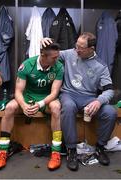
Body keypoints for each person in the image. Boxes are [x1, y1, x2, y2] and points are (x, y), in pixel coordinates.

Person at [41, 32, 117, 171]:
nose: (77, 49)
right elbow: (51, 54)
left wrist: (99, 101)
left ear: (91, 49)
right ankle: (71, 150)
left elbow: (109, 90)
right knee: (68, 107)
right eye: (76, 45)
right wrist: (45, 41)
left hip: (89, 98)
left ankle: (100, 147)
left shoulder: (101, 66)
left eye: (81, 47)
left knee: (110, 112)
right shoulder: (70, 53)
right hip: (69, 94)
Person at [0, 43, 64, 170]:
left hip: (46, 99)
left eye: (57, 56)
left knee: (56, 108)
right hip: (27, 97)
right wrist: (24, 105)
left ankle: (56, 152)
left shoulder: (58, 66)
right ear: (43, 55)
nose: (57, 59)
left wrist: (40, 104)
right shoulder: (27, 65)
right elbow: (18, 91)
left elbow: (54, 93)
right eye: (54, 57)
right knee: (9, 108)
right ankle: (3, 150)